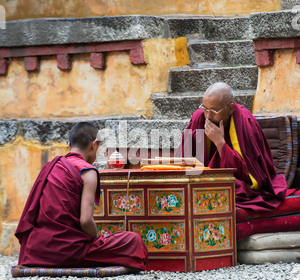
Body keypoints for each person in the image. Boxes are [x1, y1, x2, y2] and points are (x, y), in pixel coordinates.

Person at [15, 122, 148, 270]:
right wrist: (97, 240)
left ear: (68, 145)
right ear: (94, 144)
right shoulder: (87, 171)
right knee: (133, 241)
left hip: (36, 250)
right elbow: (85, 221)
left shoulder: (52, 166)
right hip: (68, 251)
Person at [175, 82, 287, 214]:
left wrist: (220, 143)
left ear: (230, 108)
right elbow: (184, 159)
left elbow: (248, 175)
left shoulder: (245, 122)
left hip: (234, 181)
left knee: (231, 190)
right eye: (204, 108)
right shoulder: (199, 118)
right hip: (204, 179)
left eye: (214, 111)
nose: (208, 116)